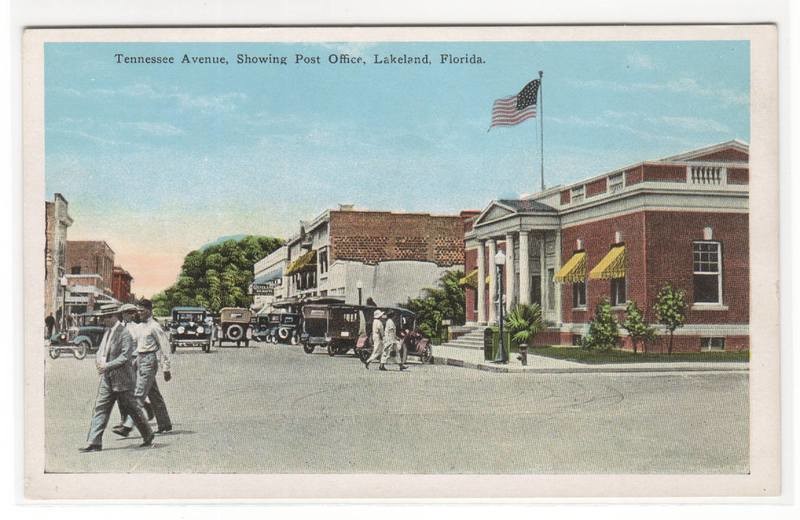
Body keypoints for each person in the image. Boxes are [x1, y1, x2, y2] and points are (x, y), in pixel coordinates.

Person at [79, 304, 154, 452]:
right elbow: (101, 350)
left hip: (123, 380)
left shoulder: (125, 333)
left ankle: (148, 434)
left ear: (114, 316)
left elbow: (125, 357)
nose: (103, 320)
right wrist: (99, 363)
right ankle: (94, 442)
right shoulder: (108, 333)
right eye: (103, 317)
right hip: (108, 378)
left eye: (106, 317)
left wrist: (107, 365)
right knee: (101, 408)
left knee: (132, 409)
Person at [113, 299, 173, 436]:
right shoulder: (140, 326)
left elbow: (164, 347)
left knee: (139, 394)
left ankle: (127, 427)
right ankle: (165, 423)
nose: (138, 313)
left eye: (141, 310)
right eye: (138, 310)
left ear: (149, 310)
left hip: (149, 360)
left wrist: (166, 368)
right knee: (154, 394)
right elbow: (133, 342)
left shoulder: (154, 326)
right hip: (139, 359)